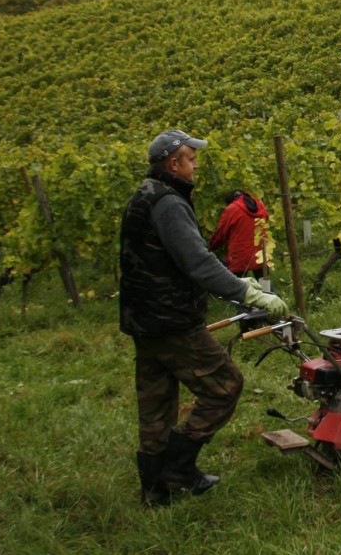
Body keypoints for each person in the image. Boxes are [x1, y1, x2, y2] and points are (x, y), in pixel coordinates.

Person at [120, 129, 288, 507]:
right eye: (191, 159)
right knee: (225, 386)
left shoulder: (145, 194)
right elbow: (197, 262)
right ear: (173, 163)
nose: (195, 166)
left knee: (156, 404)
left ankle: (154, 492)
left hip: (143, 319)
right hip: (172, 320)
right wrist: (249, 293)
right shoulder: (168, 203)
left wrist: (237, 281)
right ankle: (178, 470)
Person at [209, 190, 271, 278]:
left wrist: (211, 246)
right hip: (260, 251)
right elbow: (266, 218)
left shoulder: (232, 209)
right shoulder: (259, 204)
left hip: (240, 255)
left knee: (237, 284)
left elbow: (221, 233)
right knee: (265, 284)